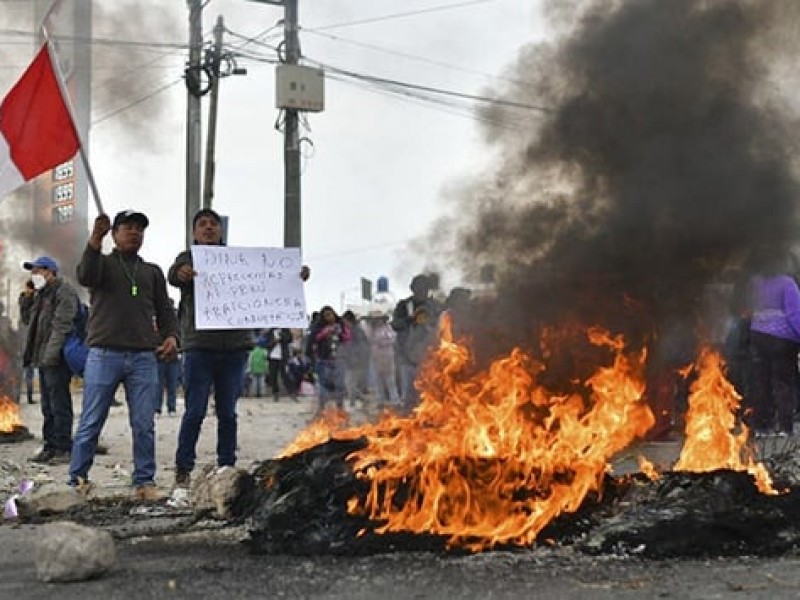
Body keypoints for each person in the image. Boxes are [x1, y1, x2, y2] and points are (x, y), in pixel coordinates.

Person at [69, 211, 179, 501]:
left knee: (144, 424)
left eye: (139, 229)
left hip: (144, 357)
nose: (134, 233)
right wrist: (95, 239)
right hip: (104, 354)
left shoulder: (152, 272)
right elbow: (84, 275)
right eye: (128, 228)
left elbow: (165, 310)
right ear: (115, 234)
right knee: (91, 421)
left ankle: (144, 481)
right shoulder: (102, 264)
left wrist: (171, 336)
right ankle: (77, 479)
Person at [168, 208, 255, 490]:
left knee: (228, 413)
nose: (208, 228)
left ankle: (226, 466)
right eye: (202, 224)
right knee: (194, 411)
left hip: (234, 348)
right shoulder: (188, 258)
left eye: (213, 224)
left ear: (221, 230)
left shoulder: (238, 260)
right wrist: (182, 273)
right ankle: (183, 469)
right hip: (199, 348)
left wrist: (294, 275)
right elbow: (173, 275)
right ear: (194, 232)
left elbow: (268, 282)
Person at [19, 257, 79, 464]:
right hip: (43, 358)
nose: (35, 275)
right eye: (33, 271)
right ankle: (50, 446)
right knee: (47, 405)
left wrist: (51, 355)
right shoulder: (41, 295)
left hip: (57, 358)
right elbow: (28, 321)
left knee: (59, 404)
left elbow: (62, 326)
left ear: (50, 271)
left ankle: (64, 448)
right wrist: (26, 298)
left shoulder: (64, 292)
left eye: (38, 270)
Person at [746, 252, 800, 437]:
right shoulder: (787, 284)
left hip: (758, 335)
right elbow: (794, 314)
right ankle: (785, 427)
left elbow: (748, 307)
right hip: (783, 340)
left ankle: (762, 426)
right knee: (784, 383)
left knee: (762, 381)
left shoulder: (756, 283)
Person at [392, 274, 442, 411]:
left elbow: (442, 327)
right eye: (418, 288)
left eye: (424, 288)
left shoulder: (435, 306)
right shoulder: (404, 306)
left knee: (430, 396)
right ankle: (408, 425)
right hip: (407, 359)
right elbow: (395, 325)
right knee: (409, 397)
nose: (421, 291)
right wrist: (410, 319)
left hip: (429, 359)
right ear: (412, 289)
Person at [309, 305, 350, 412]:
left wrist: (340, 332)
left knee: (340, 386)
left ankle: (340, 408)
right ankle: (322, 409)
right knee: (323, 386)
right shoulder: (318, 328)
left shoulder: (341, 325)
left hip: (339, 360)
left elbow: (348, 338)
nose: (329, 317)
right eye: (326, 316)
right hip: (324, 360)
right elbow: (314, 339)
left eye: (330, 314)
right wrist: (325, 332)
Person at [363, 308, 400, 410]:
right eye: (374, 319)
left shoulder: (388, 328)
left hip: (387, 356)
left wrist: (380, 342)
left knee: (390, 381)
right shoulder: (370, 329)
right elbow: (368, 338)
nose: (376, 321)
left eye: (378, 319)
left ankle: (395, 401)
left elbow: (393, 339)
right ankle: (380, 401)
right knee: (377, 381)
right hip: (375, 358)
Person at [341, 310, 371, 407]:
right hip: (352, 360)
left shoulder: (356, 330)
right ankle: (360, 400)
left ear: (349, 320)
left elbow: (362, 347)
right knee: (350, 383)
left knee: (350, 383)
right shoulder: (353, 330)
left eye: (345, 321)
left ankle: (353, 403)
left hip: (356, 361)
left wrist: (357, 359)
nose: (344, 323)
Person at [264, 327, 296, 402]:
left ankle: (292, 393)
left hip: (283, 357)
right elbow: (267, 344)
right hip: (273, 357)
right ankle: (275, 393)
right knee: (273, 376)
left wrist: (281, 336)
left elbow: (290, 339)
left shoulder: (285, 330)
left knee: (285, 375)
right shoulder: (270, 331)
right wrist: (274, 342)